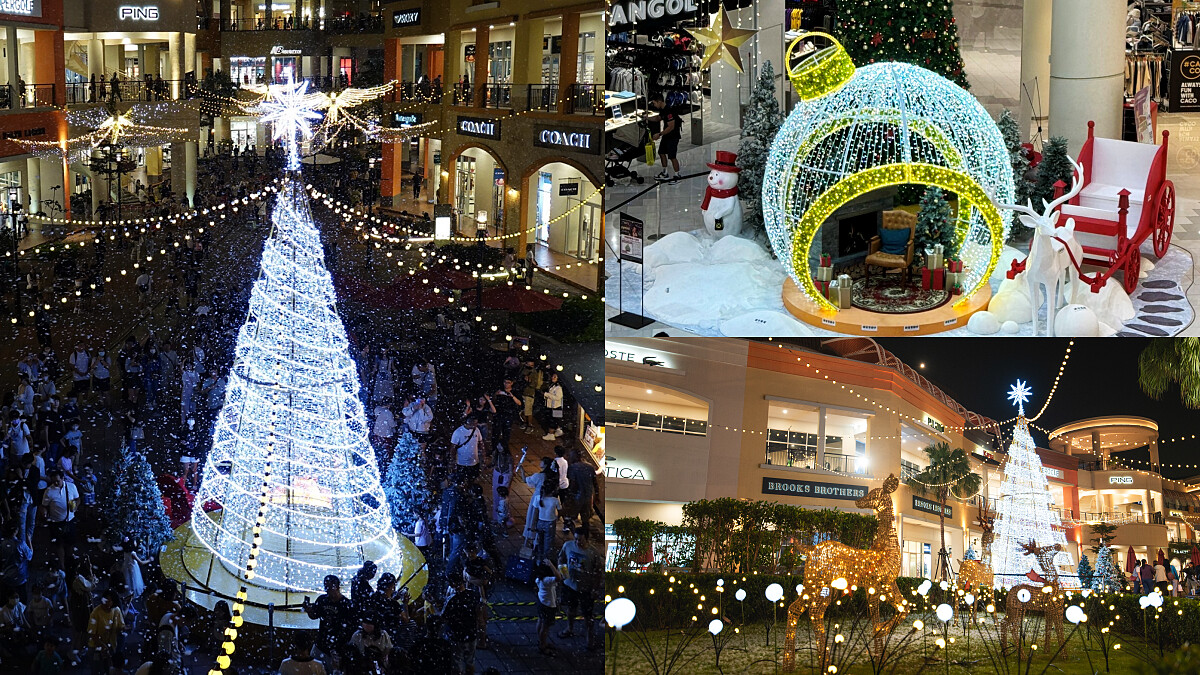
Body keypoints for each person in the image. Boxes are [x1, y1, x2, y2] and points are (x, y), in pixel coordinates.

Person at [303, 575, 356, 671]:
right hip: (321, 644)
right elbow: (314, 615)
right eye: (326, 587)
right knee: (312, 669)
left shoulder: (346, 604)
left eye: (330, 587)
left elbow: (349, 629)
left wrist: (339, 648)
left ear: (337, 587)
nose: (327, 590)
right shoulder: (322, 600)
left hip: (337, 648)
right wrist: (309, 610)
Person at [558, 528, 600, 650]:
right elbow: (561, 558)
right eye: (575, 539)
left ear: (586, 539)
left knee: (588, 615)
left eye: (580, 540)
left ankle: (589, 637)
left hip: (586, 588)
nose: (577, 542)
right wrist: (563, 571)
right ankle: (569, 628)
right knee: (571, 609)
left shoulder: (593, 553)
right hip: (570, 585)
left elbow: (598, 572)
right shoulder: (568, 545)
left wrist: (595, 589)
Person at [442, 572, 483, 675]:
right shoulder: (473, 595)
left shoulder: (452, 600)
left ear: (452, 585)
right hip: (471, 634)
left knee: (457, 663)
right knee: (470, 662)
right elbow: (479, 613)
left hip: (457, 637)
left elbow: (443, 618)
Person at [87, 591, 126, 675]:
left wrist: (122, 629)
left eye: (109, 600)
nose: (106, 602)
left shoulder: (116, 610)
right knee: (96, 670)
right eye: (105, 600)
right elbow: (92, 634)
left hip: (110, 646)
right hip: (96, 647)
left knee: (109, 670)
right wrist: (102, 646)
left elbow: (120, 626)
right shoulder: (96, 613)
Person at [649, 92, 682, 182]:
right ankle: (665, 172)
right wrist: (646, 118)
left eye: (654, 103)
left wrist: (659, 134)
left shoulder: (669, 111)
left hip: (673, 136)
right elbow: (658, 118)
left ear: (659, 101)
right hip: (666, 136)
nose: (654, 105)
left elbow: (671, 127)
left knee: (672, 156)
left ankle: (677, 175)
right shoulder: (663, 110)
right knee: (661, 152)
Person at [534, 559, 562, 656]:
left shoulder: (539, 579)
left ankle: (541, 641)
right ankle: (543, 645)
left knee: (540, 621)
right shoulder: (547, 580)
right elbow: (558, 578)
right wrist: (551, 565)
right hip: (548, 605)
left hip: (541, 603)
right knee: (545, 627)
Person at [533, 480, 560, 562]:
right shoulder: (555, 500)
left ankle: (539, 558)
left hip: (540, 522)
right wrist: (558, 517)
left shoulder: (538, 498)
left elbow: (535, 512)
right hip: (550, 523)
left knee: (539, 540)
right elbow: (560, 510)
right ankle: (547, 560)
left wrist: (534, 524)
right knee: (549, 541)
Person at [541, 373, 564, 440]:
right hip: (554, 407)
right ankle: (558, 431)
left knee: (552, 421)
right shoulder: (552, 386)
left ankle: (551, 435)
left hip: (555, 407)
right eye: (552, 376)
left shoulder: (558, 388)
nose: (552, 378)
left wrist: (546, 394)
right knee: (555, 420)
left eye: (555, 377)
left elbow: (558, 397)